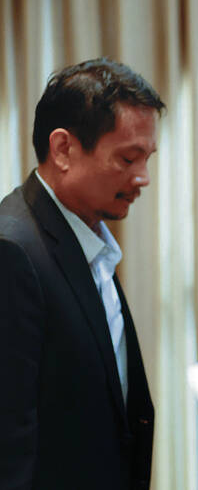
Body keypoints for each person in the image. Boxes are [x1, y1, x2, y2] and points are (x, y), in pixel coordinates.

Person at [0, 58, 165, 490]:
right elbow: (9, 438)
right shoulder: (12, 251)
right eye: (128, 158)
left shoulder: (88, 236)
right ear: (63, 149)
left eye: (147, 158)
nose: (143, 178)